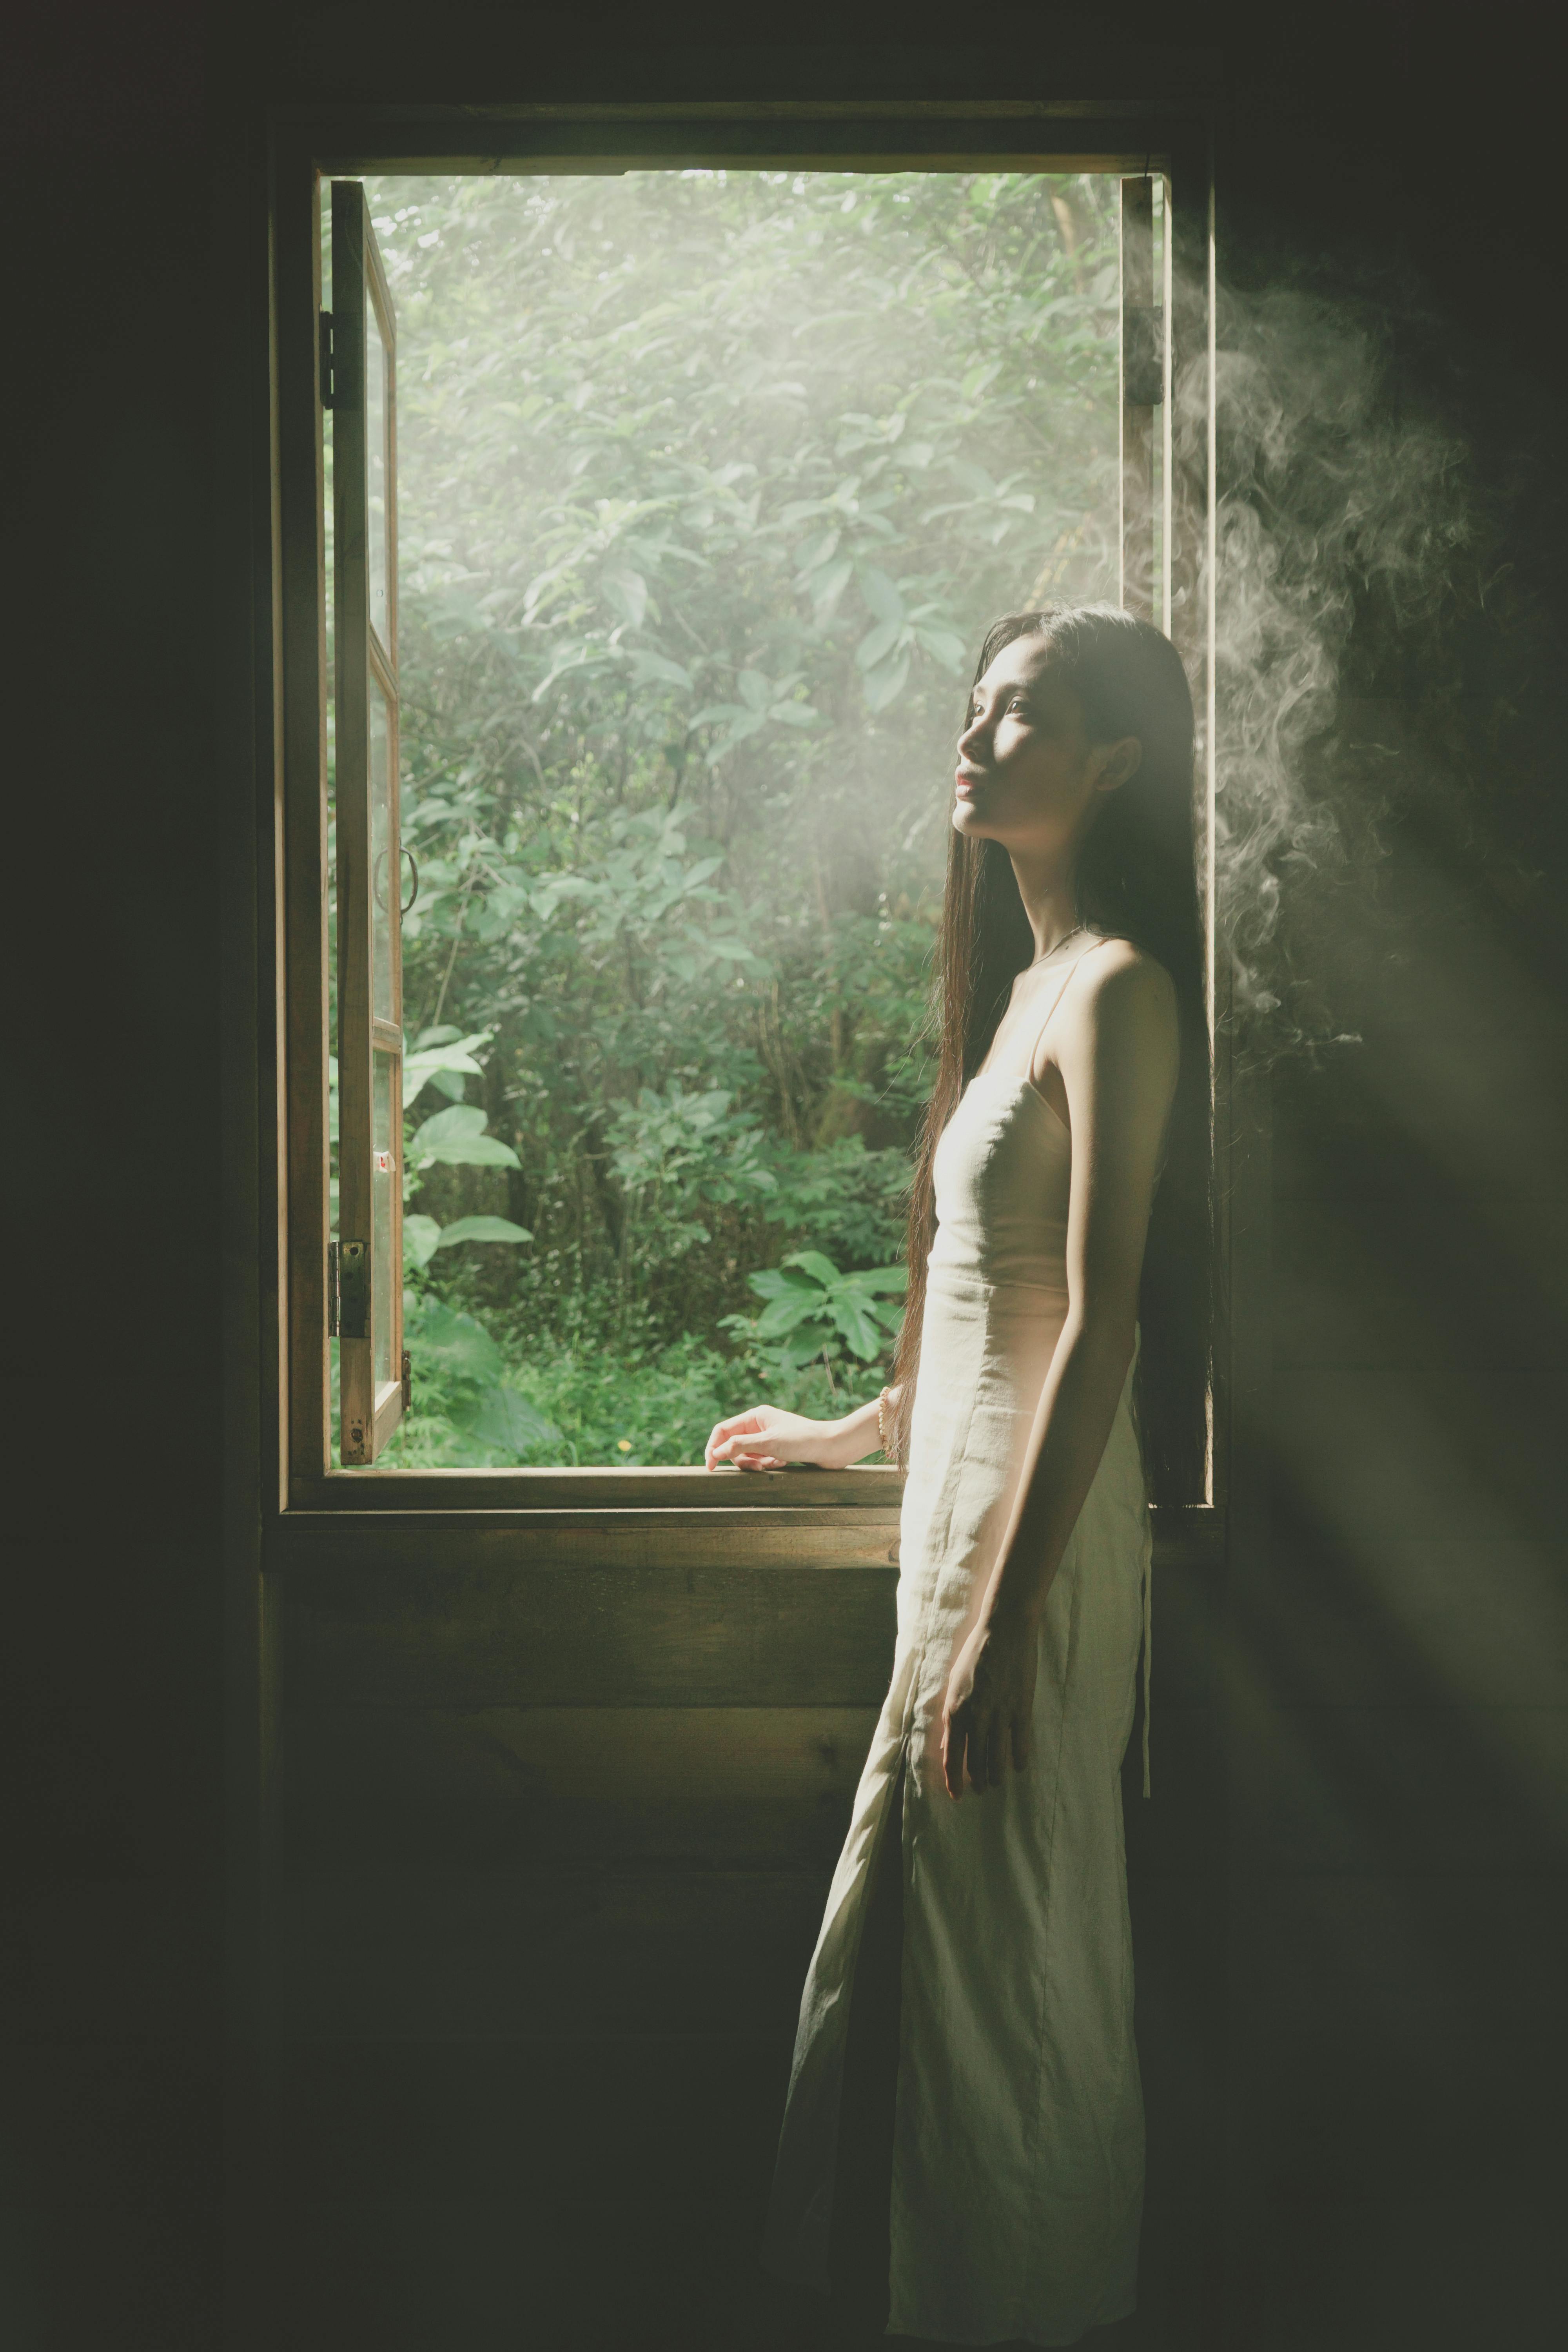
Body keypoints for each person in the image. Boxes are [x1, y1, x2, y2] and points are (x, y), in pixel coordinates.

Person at [705, 604, 1209, 2345]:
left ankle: (1042, 2311)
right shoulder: (1021, 987)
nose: (975, 737)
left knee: (1021, 1950)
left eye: (1021, 715)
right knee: (940, 1932)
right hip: (958, 1510)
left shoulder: (1119, 990)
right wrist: (852, 1433)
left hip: (1037, 1533)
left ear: (1113, 761)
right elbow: (976, 1281)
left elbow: (1102, 1315)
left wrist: (1003, 1616)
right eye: (975, 707)